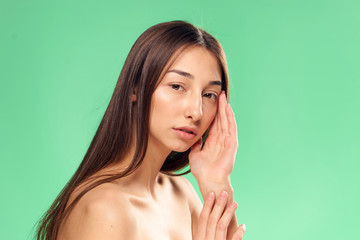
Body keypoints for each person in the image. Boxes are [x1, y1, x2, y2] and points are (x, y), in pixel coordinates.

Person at [36, 20, 246, 240]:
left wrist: (216, 180)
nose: (196, 111)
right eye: (177, 86)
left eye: (209, 95)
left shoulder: (181, 195)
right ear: (136, 88)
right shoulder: (105, 208)